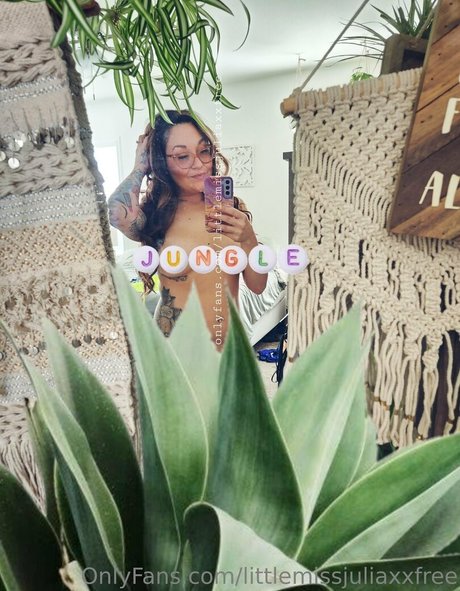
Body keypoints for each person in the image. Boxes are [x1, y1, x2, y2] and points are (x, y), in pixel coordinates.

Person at [108, 110, 267, 348]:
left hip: (228, 349)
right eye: (182, 156)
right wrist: (141, 165)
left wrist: (248, 239)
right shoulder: (156, 216)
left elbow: (257, 286)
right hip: (176, 348)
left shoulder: (229, 209)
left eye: (204, 151)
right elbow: (116, 212)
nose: (199, 164)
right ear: (162, 163)